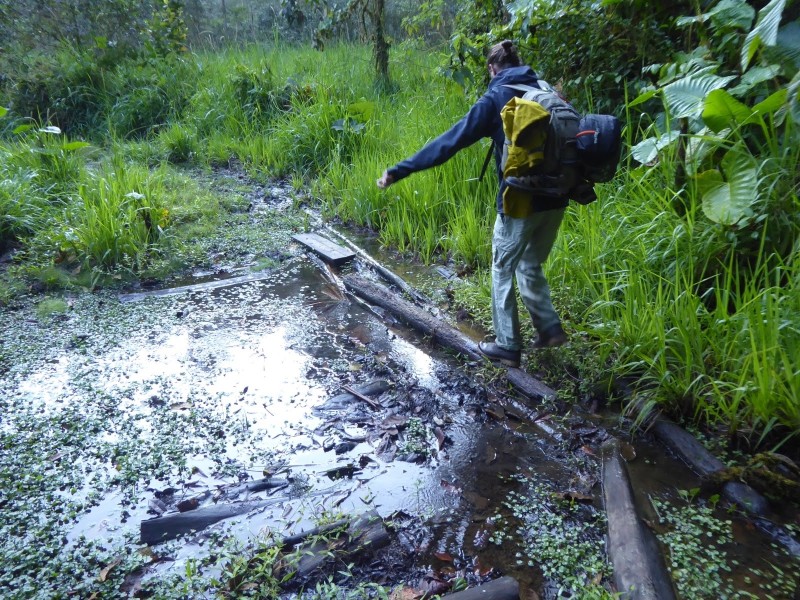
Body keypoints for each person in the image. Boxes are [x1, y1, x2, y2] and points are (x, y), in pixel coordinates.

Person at [376, 40, 568, 369]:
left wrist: (399, 170)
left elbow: (450, 142)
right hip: (560, 192)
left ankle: (507, 346)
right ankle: (549, 329)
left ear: (492, 69)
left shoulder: (496, 97)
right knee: (530, 263)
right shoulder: (544, 89)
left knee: (502, 268)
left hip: (521, 199)